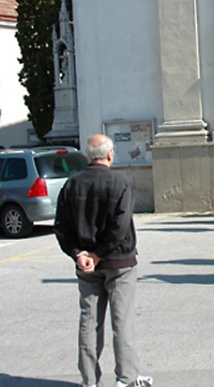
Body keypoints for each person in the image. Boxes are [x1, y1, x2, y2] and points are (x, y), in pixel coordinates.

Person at [53, 134, 153, 387]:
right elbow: (120, 226)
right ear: (110, 155)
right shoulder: (119, 182)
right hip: (119, 262)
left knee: (89, 323)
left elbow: (62, 226)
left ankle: (89, 381)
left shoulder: (71, 184)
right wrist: (98, 254)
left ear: (88, 155)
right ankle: (126, 378)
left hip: (87, 264)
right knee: (122, 322)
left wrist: (79, 254)